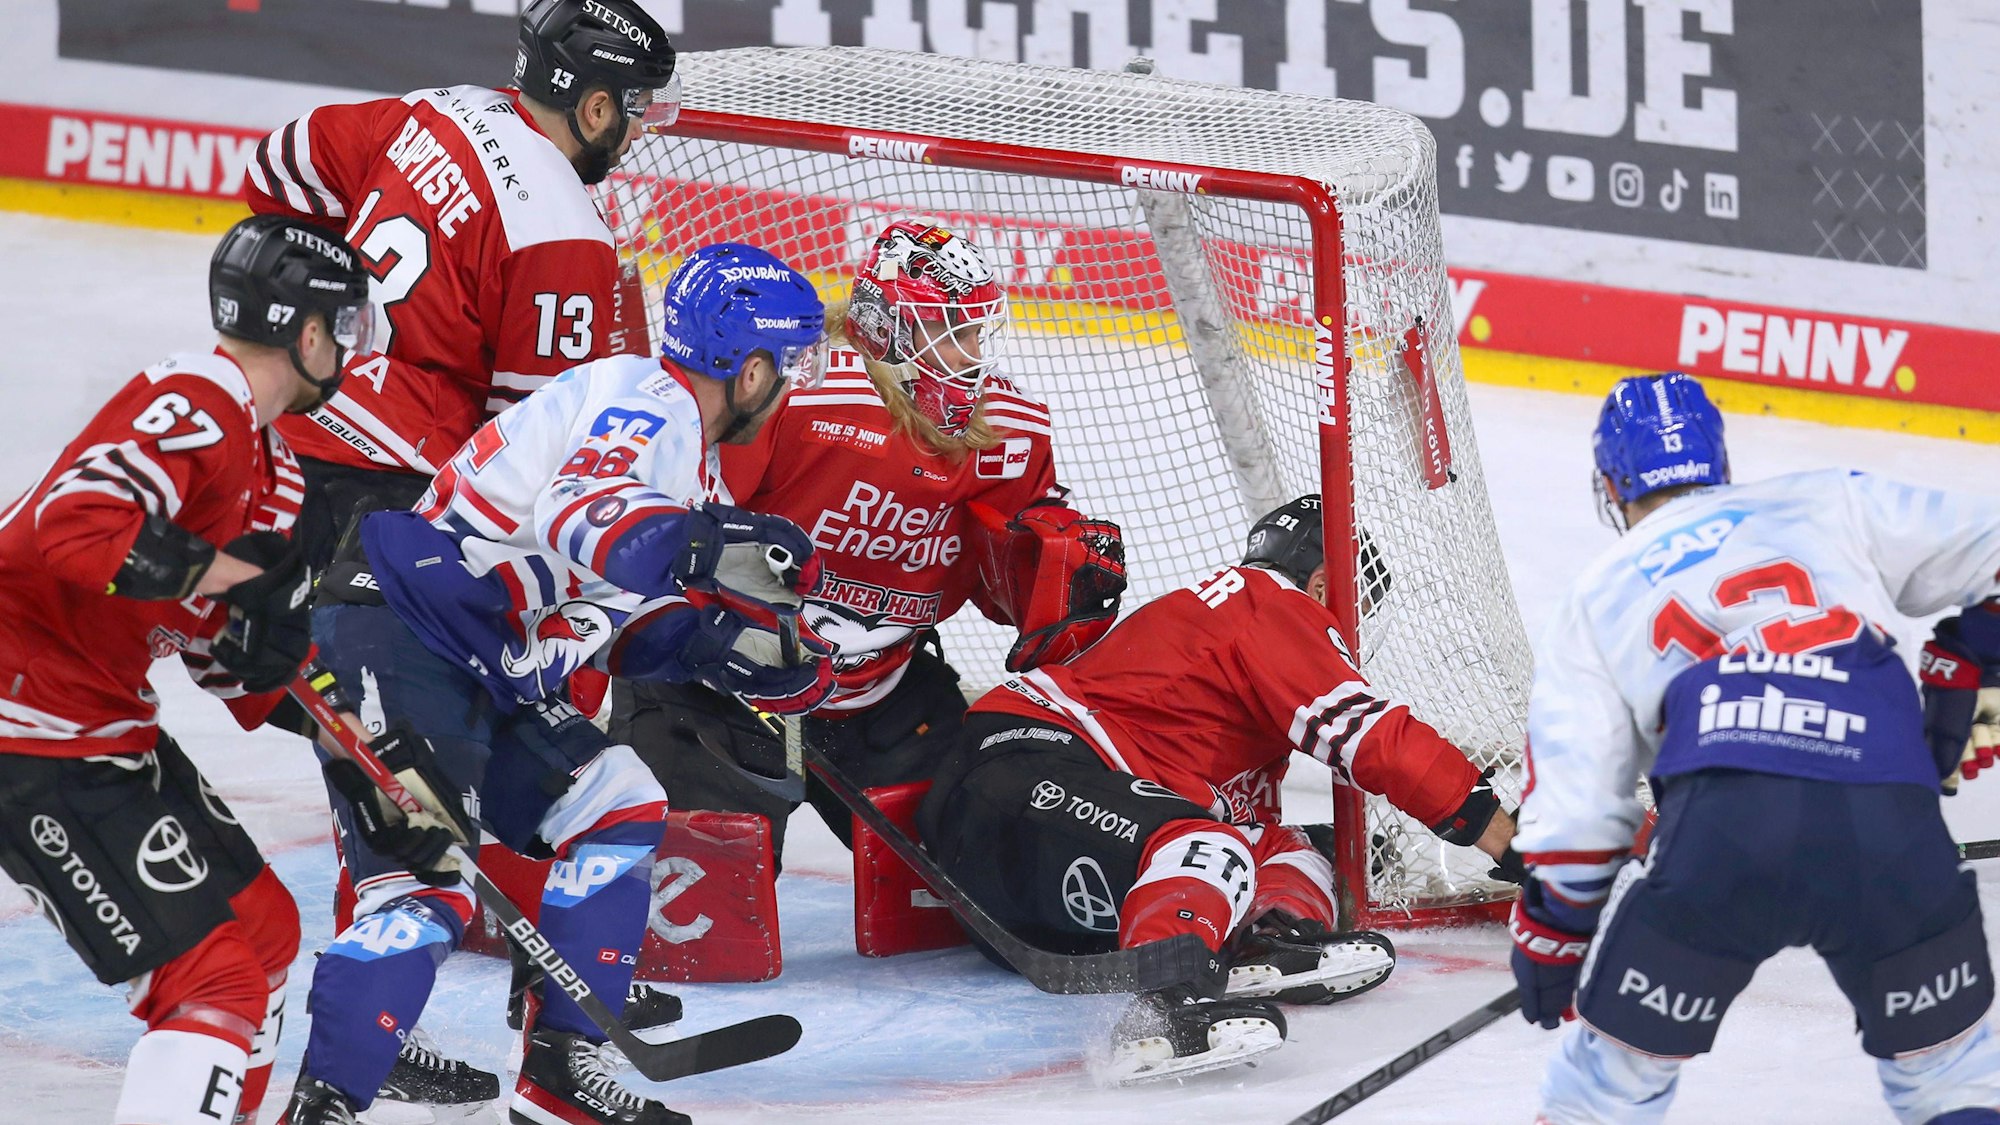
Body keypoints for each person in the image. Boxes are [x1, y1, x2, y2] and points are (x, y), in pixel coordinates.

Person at [278, 243, 834, 1125]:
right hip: (402, 633)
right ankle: (325, 1105)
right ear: (752, 364)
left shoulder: (684, 457)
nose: (796, 381)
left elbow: (615, 614)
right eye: (794, 360)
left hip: (484, 661)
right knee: (422, 886)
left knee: (617, 799)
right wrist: (706, 544)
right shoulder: (650, 405)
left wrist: (726, 650)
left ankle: (560, 1071)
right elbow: (585, 519)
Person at [245, 0, 679, 1104]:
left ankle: (383, 1024)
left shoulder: (435, 112)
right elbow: (547, 454)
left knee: (374, 767)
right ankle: (386, 1034)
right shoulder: (562, 239)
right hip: (391, 515)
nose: (632, 133)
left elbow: (280, 170)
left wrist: (329, 340)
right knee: (415, 780)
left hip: (287, 449)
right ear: (590, 104)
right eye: (629, 112)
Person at [1509, 371, 2000, 1125]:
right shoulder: (1831, 497)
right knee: (1955, 1079)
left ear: (1611, 483)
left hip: (1723, 839)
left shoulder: (1596, 591)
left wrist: (1554, 933)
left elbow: (1577, 817)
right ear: (1720, 462)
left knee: (1602, 1097)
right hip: (1888, 819)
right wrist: (1974, 655)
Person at [918, 493, 1521, 1082]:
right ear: (1319, 585)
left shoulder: (1227, 663)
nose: (1350, 628)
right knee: (1209, 846)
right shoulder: (1270, 604)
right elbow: (1373, 737)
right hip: (1017, 773)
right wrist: (1505, 838)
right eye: (1355, 602)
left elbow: (1242, 820)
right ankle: (1164, 1004)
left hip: (1037, 879)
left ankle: (1268, 941)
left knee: (1284, 847)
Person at [609, 218, 1127, 870]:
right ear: (891, 328)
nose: (970, 356)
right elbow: (675, 528)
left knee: (985, 872)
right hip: (726, 688)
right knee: (700, 911)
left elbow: (1007, 596)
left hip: (881, 698)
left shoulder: (1009, 432)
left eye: (974, 332)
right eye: (951, 332)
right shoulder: (792, 392)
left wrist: (1056, 571)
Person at [0, 214, 368, 1125]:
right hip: (28, 720)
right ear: (310, 331)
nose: (351, 351)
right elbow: (76, 527)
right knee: (207, 978)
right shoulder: (200, 395)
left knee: (262, 930)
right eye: (346, 328)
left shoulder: (277, 471)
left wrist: (319, 692)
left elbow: (225, 661)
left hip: (105, 720)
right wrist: (245, 579)